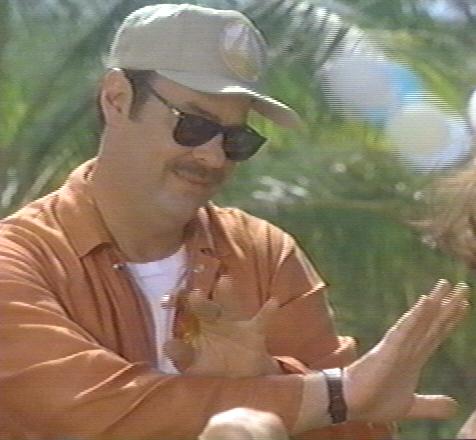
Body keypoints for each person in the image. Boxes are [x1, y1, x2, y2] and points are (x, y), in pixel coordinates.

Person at [0, 4, 469, 439]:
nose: (213, 157)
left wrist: (267, 375)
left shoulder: (264, 253)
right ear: (117, 98)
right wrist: (329, 395)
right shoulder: (16, 260)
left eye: (236, 139)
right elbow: (89, 412)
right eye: (194, 125)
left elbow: (360, 426)